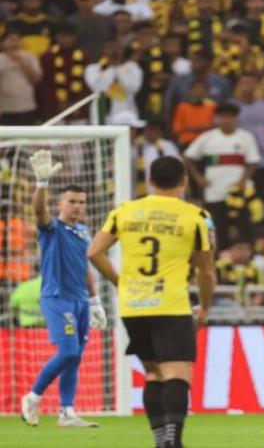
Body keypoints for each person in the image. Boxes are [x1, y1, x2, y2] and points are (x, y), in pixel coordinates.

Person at [87, 156, 216, 448]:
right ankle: (173, 441)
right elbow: (206, 270)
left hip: (133, 305)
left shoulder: (124, 211)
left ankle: (160, 440)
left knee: (153, 373)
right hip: (171, 304)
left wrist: (121, 283)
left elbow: (94, 252)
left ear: (149, 181)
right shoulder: (197, 216)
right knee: (176, 374)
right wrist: (205, 307)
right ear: (184, 181)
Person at [20, 150, 107, 428]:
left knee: (75, 357)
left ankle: (67, 412)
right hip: (57, 299)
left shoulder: (83, 231)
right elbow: (38, 211)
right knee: (68, 352)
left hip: (81, 301)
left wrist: (95, 300)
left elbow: (85, 267)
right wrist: (42, 183)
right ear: (60, 203)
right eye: (72, 201)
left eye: (81, 202)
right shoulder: (51, 228)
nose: (77, 206)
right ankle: (33, 396)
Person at [183, 103, 261, 250]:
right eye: (223, 117)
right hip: (215, 192)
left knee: (244, 227)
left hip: (239, 193)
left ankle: (245, 257)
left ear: (236, 118)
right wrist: (198, 178)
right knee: (218, 228)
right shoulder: (208, 137)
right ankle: (220, 257)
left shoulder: (245, 137)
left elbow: (253, 162)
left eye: (230, 117)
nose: (227, 120)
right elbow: (188, 157)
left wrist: (243, 180)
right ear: (218, 118)